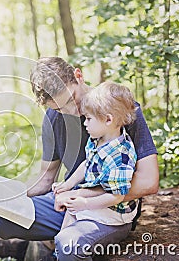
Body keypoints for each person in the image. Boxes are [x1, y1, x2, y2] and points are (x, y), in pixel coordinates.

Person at [0, 57, 159, 261]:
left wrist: (83, 197)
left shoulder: (118, 108)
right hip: (65, 206)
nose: (71, 112)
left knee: (69, 243)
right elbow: (46, 178)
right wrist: (7, 193)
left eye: (71, 99)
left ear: (79, 76)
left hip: (107, 212)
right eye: (58, 109)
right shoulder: (53, 119)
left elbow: (149, 182)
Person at [53, 82, 139, 237]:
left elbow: (116, 196)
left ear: (108, 120)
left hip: (113, 210)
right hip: (96, 197)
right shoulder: (97, 139)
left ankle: (65, 245)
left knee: (75, 213)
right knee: (70, 212)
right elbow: (88, 163)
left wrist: (85, 204)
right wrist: (68, 184)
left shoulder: (121, 156)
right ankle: (60, 246)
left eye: (88, 119)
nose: (84, 123)